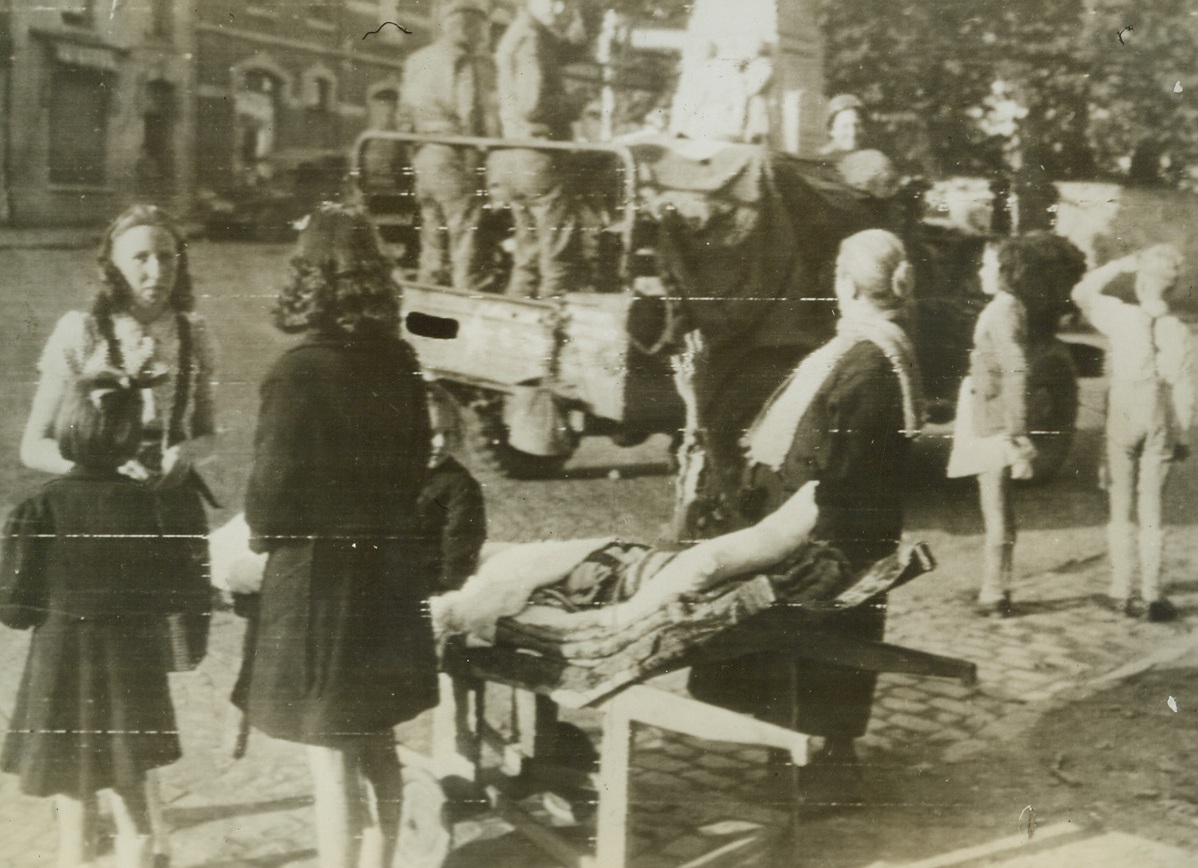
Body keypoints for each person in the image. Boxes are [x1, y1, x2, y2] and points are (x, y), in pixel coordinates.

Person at [235, 204, 436, 868]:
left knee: (331, 757)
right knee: (375, 739)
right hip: (389, 575)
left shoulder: (297, 373)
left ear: (308, 278)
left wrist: (262, 545)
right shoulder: (401, 361)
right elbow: (415, 470)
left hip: (321, 584)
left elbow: (268, 499)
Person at [687, 228, 923, 794]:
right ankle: (818, 754)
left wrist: (762, 519)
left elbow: (828, 473)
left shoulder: (867, 361)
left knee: (737, 579)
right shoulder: (865, 353)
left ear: (845, 283)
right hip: (845, 532)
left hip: (834, 545)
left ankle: (800, 760)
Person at [19, 203, 216, 866]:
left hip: (163, 521)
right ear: (112, 264)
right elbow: (33, 447)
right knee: (99, 678)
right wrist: (100, 466)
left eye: (167, 255)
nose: (156, 269)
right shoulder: (82, 329)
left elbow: (207, 428)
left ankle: (133, 821)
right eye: (140, 257)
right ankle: (109, 823)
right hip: (97, 519)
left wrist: (187, 455)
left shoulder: (193, 333)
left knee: (140, 682)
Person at [2, 375, 191, 868]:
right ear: (130, 436)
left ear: (68, 428)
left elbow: (14, 609)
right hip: (133, 669)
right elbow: (173, 591)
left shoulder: (40, 508)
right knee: (132, 784)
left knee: (74, 794)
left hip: (63, 666)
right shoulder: (150, 505)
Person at [947, 232, 1085, 616]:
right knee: (995, 504)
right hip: (987, 410)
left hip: (994, 418)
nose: (982, 271)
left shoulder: (1004, 309)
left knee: (995, 505)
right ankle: (996, 588)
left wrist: (1015, 428)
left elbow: (1016, 368)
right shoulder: (1006, 306)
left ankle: (995, 592)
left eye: (989, 265)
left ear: (1007, 272)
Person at [1071, 245, 1197, 622]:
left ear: (1140, 282)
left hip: (1124, 407)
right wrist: (1183, 437)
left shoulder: (1120, 316)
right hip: (1157, 410)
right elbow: (1185, 390)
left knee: (1120, 503)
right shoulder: (1178, 330)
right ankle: (1152, 593)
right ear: (1172, 288)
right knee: (1152, 506)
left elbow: (1081, 293)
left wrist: (1116, 266)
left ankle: (1121, 589)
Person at [490, 0, 589, 298]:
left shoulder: (525, 34)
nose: (560, 9)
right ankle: (551, 326)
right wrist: (575, 103)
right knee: (556, 256)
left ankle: (515, 320)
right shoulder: (531, 40)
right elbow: (532, 106)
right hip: (537, 155)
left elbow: (567, 47)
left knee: (528, 253)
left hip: (517, 154)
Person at [401, 0, 500, 292]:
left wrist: (416, 154)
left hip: (425, 156)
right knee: (466, 234)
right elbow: (469, 111)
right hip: (454, 155)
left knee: (433, 236)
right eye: (483, 28)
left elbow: (404, 118)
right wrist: (482, 156)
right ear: (469, 26)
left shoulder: (417, 60)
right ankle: (468, 301)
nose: (484, 36)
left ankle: (428, 299)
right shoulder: (464, 61)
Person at [416, 388, 488, 593]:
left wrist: (446, 591)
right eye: (430, 433)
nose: (440, 443)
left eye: (447, 433)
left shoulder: (460, 484)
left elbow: (461, 548)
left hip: (427, 582)